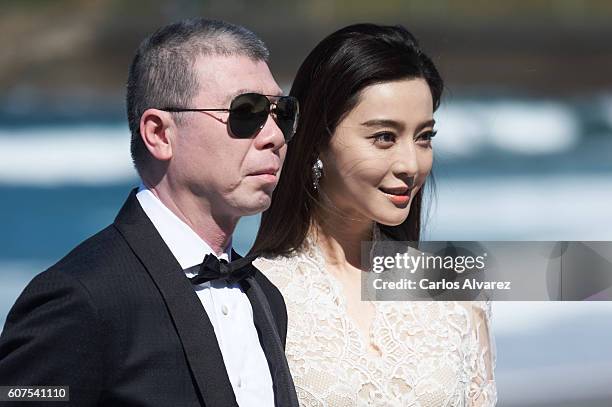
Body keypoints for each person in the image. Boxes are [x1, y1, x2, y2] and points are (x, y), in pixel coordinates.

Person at [0, 19, 299, 407]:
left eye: (282, 112)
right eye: (247, 112)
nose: (274, 135)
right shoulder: (80, 298)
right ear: (159, 133)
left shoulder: (265, 297)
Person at [251, 23, 497, 406]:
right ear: (317, 139)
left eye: (424, 137)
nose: (411, 163)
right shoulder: (253, 292)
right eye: (384, 137)